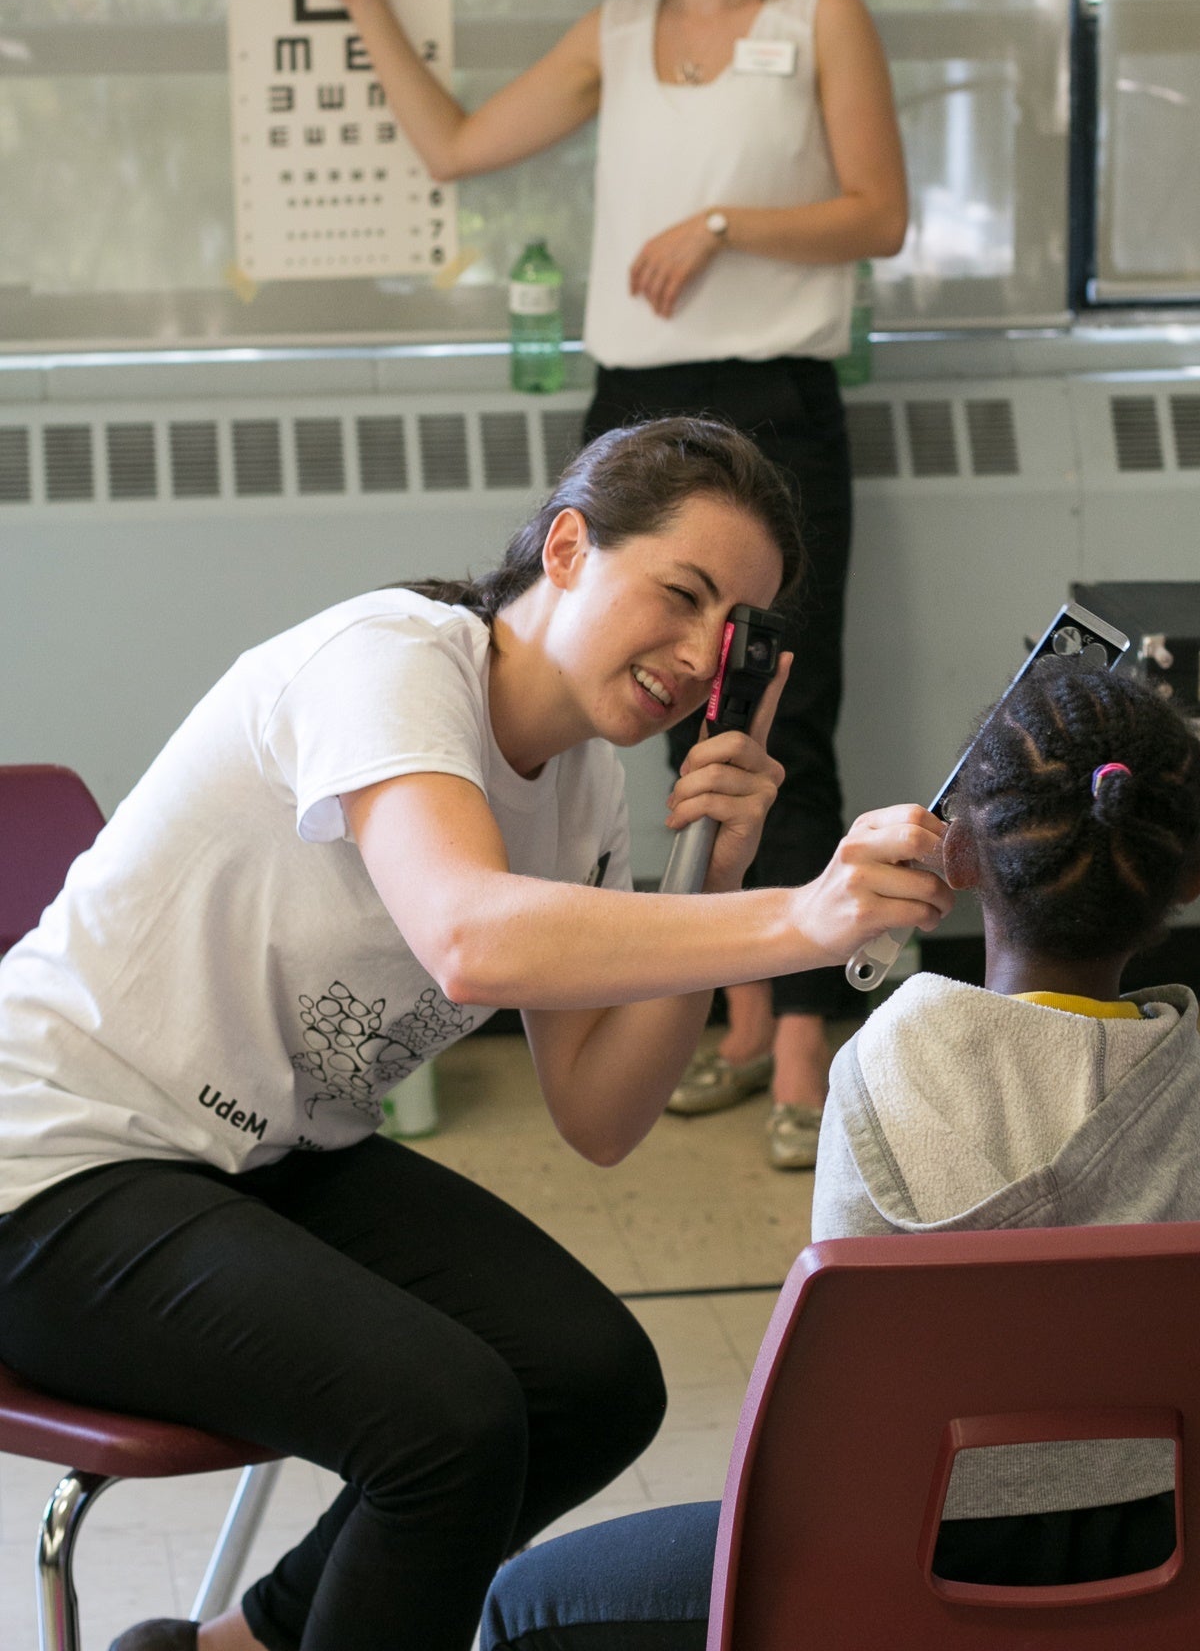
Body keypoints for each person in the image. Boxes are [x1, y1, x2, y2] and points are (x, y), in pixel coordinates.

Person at [0, 417, 951, 1651]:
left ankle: (228, 1648)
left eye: (729, 635)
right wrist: (800, 915)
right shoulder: (390, 660)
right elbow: (469, 937)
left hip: (258, 1160)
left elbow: (600, 1114)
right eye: (677, 592)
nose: (691, 655)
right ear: (566, 546)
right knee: (445, 1424)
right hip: (56, 1160)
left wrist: (709, 869)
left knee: (593, 1382)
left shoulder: (585, 786)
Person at [309, 0, 910, 1170]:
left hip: (774, 398)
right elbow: (455, 142)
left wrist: (720, 222)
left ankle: (800, 1054)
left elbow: (877, 211)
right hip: (636, 411)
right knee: (649, 712)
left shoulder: (819, 17)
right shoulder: (620, 28)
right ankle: (731, 1016)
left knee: (775, 719)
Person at [477, 661, 1200, 1650]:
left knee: (523, 1606)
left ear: (957, 852)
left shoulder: (885, 1067)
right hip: (1147, 1565)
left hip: (890, 1570)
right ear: (1191, 874)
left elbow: (831, 1435)